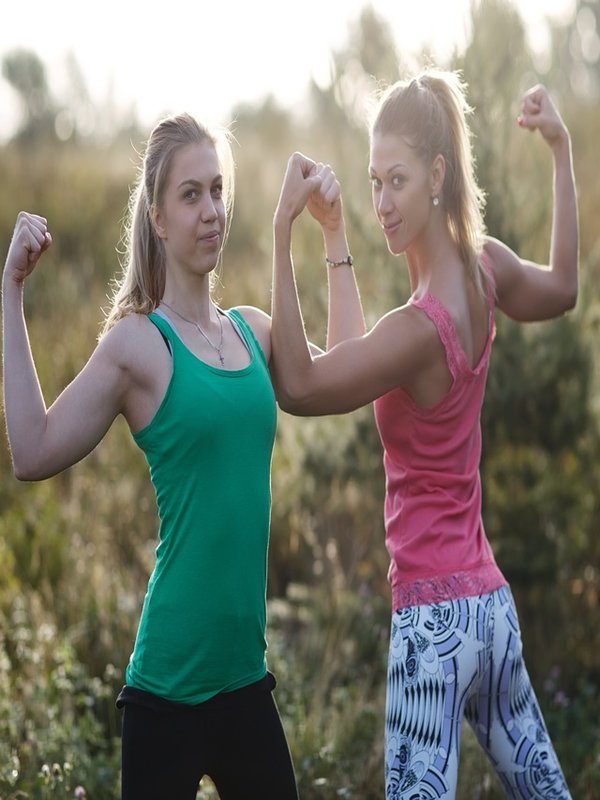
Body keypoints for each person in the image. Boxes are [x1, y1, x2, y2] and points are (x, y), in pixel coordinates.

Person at [1, 112, 347, 799]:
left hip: (246, 681)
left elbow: (340, 373)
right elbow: (32, 450)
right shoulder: (138, 345)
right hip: (167, 692)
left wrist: (328, 232)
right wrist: (9, 290)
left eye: (218, 190)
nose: (211, 210)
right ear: (157, 217)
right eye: (191, 195)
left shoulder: (251, 332)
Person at [271, 70, 577, 799]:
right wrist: (562, 148)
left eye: (398, 180)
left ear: (438, 174)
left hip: (432, 629)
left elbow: (304, 385)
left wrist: (280, 234)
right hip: (490, 613)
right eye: (375, 181)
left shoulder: (413, 332)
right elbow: (565, 288)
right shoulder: (485, 269)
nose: (382, 202)